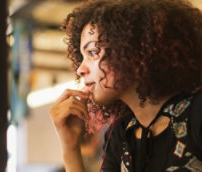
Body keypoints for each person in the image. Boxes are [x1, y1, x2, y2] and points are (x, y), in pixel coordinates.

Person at [49, 0, 202, 171]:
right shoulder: (121, 134)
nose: (80, 69)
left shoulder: (197, 113)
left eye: (92, 52)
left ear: (133, 50)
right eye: (82, 56)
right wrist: (70, 147)